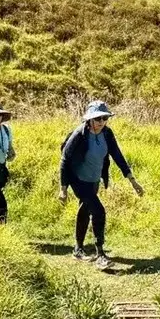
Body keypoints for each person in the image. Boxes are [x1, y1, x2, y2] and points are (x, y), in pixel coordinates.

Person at [58, 101, 142, 266]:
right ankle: (100, 254)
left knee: (85, 209)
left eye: (105, 118)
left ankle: (78, 249)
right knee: (99, 211)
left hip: (94, 179)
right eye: (98, 119)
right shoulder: (79, 134)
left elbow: (118, 156)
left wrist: (132, 180)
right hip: (78, 179)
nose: (101, 122)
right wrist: (63, 189)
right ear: (89, 120)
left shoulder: (107, 134)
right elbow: (65, 160)